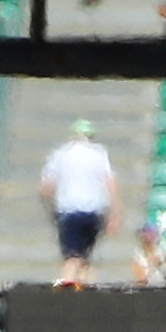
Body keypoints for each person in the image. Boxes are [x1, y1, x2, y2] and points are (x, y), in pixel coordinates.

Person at [40, 122, 115, 287]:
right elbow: (110, 183)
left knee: (72, 257)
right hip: (94, 210)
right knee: (85, 256)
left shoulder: (60, 154)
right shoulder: (99, 154)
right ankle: (85, 288)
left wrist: (51, 209)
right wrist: (114, 213)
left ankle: (68, 292)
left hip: (69, 210)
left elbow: (46, 188)